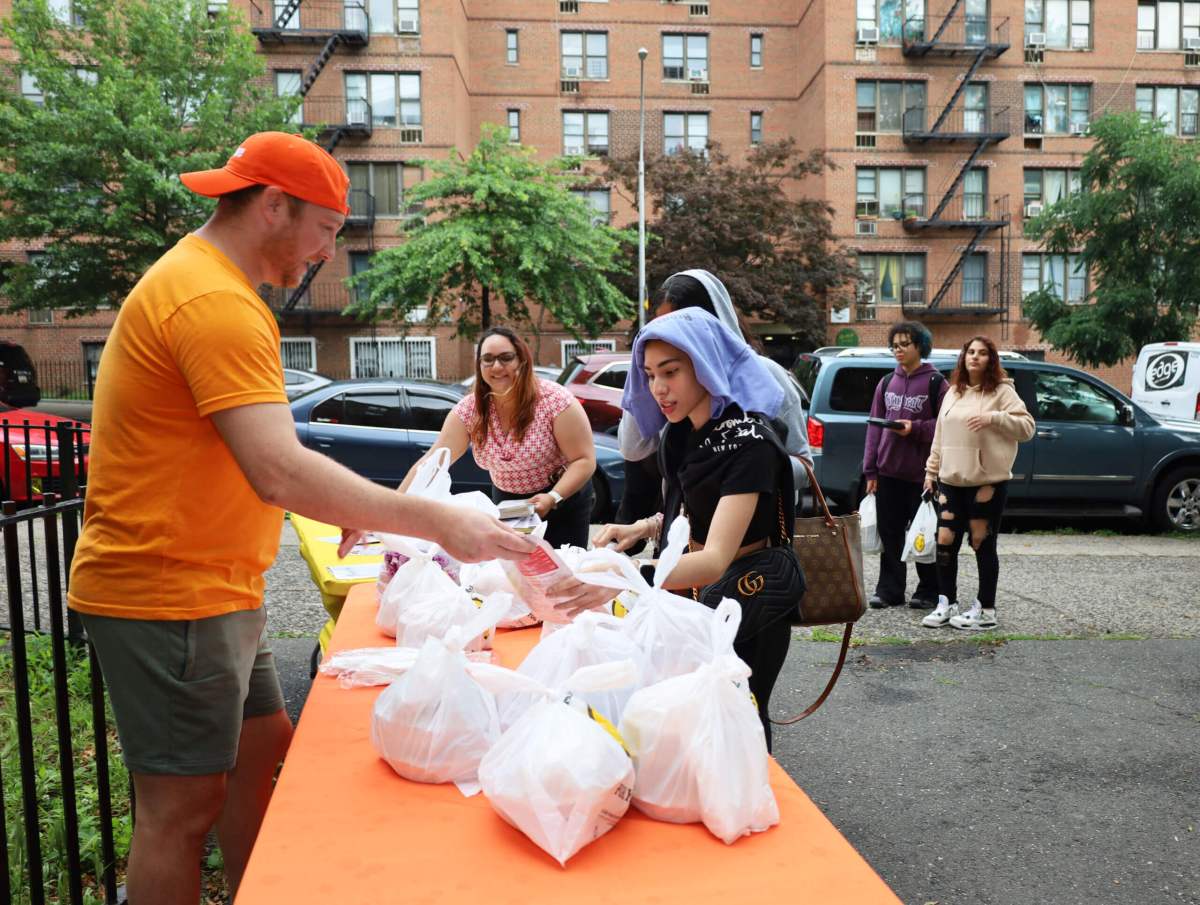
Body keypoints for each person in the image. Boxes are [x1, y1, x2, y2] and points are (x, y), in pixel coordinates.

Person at [66, 132, 533, 905]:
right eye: (323, 229)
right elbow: (278, 466)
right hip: (169, 592)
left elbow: (234, 455)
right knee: (178, 814)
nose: (324, 254)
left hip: (215, 587)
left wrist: (339, 503)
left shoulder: (207, 285)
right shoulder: (213, 301)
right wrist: (435, 522)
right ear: (274, 206)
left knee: (265, 755)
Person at [553, 308, 800, 750]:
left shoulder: (751, 444)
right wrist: (642, 528)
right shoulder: (681, 434)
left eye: (671, 371)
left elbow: (716, 556)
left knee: (740, 718)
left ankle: (749, 805)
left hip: (747, 601)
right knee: (693, 720)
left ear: (705, 365)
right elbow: (697, 514)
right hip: (693, 597)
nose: (658, 388)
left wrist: (626, 577)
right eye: (648, 374)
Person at [615, 270, 812, 532]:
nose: (664, 337)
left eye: (671, 370)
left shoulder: (764, 383)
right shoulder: (668, 398)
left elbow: (717, 557)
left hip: (753, 539)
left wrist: (741, 470)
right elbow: (633, 449)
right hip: (681, 534)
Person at [397, 326, 598, 548]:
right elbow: (433, 463)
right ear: (480, 366)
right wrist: (395, 509)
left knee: (562, 572)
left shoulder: (554, 400)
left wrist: (553, 497)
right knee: (512, 575)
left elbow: (584, 459)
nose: (497, 366)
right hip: (508, 503)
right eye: (488, 359)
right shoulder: (470, 410)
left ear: (521, 360)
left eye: (506, 358)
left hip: (561, 498)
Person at [920, 336, 1034, 631]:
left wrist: (994, 417)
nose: (975, 357)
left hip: (987, 481)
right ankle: (946, 602)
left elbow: (1027, 428)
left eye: (982, 353)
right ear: (963, 357)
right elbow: (940, 437)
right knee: (944, 542)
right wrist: (931, 472)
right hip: (950, 479)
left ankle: (986, 608)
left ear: (991, 359)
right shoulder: (952, 392)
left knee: (981, 543)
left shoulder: (1003, 391)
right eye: (970, 352)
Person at [863, 321, 946, 610]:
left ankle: (929, 591)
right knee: (890, 535)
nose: (897, 350)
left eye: (904, 344)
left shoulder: (936, 383)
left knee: (925, 534)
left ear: (920, 346)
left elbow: (946, 426)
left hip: (922, 476)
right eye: (894, 345)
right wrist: (870, 470)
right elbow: (873, 429)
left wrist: (915, 428)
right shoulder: (886, 382)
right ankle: (889, 591)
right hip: (887, 473)